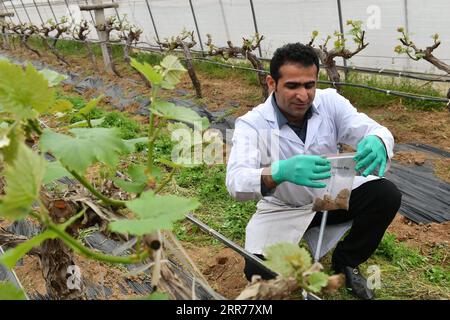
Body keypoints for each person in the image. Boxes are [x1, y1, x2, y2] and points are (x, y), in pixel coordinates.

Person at [226, 43, 402, 300]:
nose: (303, 95)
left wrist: (378, 140)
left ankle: (346, 261)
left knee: (385, 194)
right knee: (260, 270)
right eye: (292, 86)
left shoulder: (329, 102)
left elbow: (371, 128)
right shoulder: (252, 125)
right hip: (284, 206)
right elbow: (236, 181)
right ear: (272, 83)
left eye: (309, 85)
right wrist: (279, 171)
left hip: (330, 194)